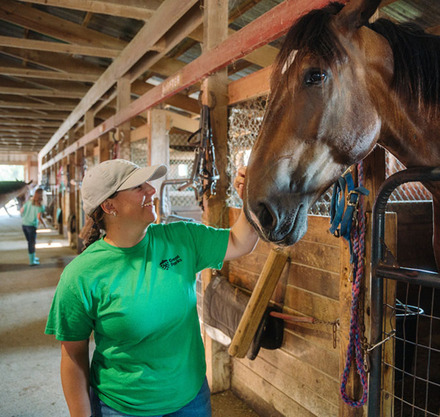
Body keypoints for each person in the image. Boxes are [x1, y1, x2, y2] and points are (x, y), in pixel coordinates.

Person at [45, 159, 258, 417]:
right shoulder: (81, 275)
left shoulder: (182, 238)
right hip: (122, 407)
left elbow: (239, 242)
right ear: (109, 205)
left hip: (190, 399)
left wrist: (251, 199)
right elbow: (73, 357)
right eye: (138, 187)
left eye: (147, 184)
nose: (151, 190)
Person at [20, 187, 47, 266]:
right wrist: (44, 224)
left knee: (30, 242)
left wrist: (24, 216)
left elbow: (21, 211)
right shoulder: (40, 206)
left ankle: (33, 257)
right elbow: (39, 217)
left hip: (24, 225)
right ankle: (32, 261)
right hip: (31, 226)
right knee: (32, 243)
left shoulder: (28, 202)